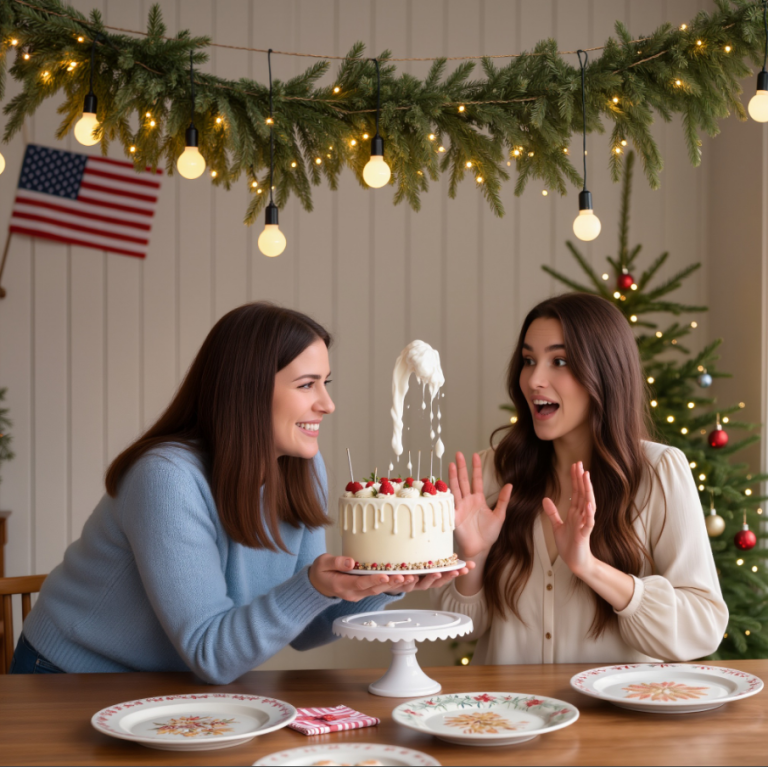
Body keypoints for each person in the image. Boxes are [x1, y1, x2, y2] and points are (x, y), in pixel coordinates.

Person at [12, 302, 465, 682]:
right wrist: (312, 586)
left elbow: (306, 627)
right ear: (246, 391)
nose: (327, 403)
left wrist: (386, 584)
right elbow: (211, 652)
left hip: (177, 683)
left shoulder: (302, 468)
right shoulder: (167, 478)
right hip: (72, 678)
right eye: (307, 385)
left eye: (326, 383)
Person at [435, 293, 728, 664]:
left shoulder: (660, 472)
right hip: (508, 718)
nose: (535, 379)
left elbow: (703, 627)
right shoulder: (493, 471)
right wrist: (473, 558)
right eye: (528, 361)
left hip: (613, 719)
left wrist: (590, 567)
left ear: (604, 372)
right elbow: (459, 626)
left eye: (559, 361)